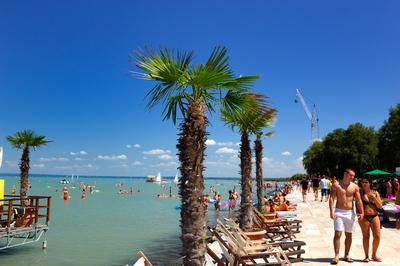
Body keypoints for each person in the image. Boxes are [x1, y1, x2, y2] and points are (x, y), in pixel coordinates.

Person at [329, 169, 364, 264]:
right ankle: (336, 256)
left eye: (353, 176)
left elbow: (359, 200)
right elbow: (331, 198)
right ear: (345, 174)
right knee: (338, 234)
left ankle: (346, 255)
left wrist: (362, 212)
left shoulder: (355, 187)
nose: (352, 177)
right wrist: (331, 211)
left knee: (349, 235)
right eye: (351, 175)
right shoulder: (336, 185)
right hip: (339, 212)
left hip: (350, 213)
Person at [359, 176, 383, 262]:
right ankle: (366, 256)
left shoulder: (375, 193)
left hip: (374, 216)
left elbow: (380, 206)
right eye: (363, 182)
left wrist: (374, 198)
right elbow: (357, 204)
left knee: (377, 236)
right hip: (364, 217)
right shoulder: (359, 193)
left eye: (366, 182)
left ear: (370, 184)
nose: (364, 183)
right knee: (366, 237)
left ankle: (374, 255)